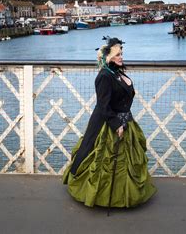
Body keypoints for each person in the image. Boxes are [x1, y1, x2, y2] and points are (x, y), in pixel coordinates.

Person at [63, 36, 156, 208]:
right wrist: (116, 125)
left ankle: (124, 195)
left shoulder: (117, 72)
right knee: (102, 160)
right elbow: (103, 105)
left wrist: (124, 121)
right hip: (108, 124)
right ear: (109, 58)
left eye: (121, 53)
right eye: (118, 54)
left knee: (127, 162)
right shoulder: (105, 76)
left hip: (126, 120)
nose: (121, 57)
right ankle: (100, 196)